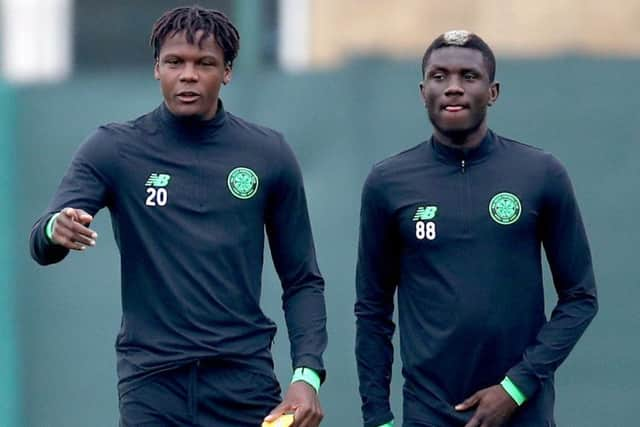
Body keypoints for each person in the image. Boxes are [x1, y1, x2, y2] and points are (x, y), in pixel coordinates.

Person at [30, 6, 326, 427]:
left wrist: (306, 375)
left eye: (204, 63)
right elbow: (42, 240)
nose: (188, 74)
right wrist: (56, 228)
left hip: (244, 383)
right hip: (152, 385)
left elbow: (302, 280)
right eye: (175, 62)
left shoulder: (268, 153)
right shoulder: (113, 148)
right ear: (157, 69)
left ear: (227, 73)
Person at [354, 30, 598, 427]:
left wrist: (515, 387)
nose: (453, 88)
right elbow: (372, 311)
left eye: (469, 76)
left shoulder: (540, 173)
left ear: (493, 91)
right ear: (422, 91)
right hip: (428, 413)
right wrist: (377, 417)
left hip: (522, 413)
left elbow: (580, 298)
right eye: (439, 76)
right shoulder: (388, 182)